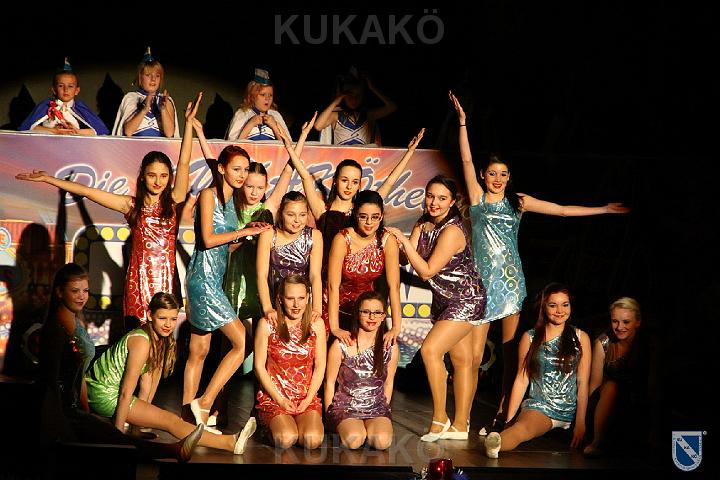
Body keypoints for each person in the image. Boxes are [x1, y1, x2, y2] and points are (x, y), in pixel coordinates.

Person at [449, 91, 631, 435]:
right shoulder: (476, 198)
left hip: (510, 284)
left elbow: (561, 210)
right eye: (493, 173)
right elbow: (466, 160)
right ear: (484, 176)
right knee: (472, 357)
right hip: (480, 286)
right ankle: (463, 417)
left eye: (503, 173)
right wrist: (462, 123)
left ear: (509, 176)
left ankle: (502, 417)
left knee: (510, 357)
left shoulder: (518, 202)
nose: (498, 178)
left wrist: (604, 209)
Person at [16, 92, 202, 328]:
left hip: (166, 281)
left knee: (164, 337)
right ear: (142, 177)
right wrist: (49, 179)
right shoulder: (130, 205)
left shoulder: (174, 200)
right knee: (138, 337)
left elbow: (184, 162)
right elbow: (87, 191)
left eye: (164, 176)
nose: (158, 181)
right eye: (152, 175)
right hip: (138, 283)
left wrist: (188, 124)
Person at [39, 263, 203, 462]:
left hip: (75, 406)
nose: (82, 296)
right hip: (61, 408)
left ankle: (174, 450)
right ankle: (173, 450)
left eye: (85, 291)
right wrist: (57, 416)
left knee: (114, 438)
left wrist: (85, 411)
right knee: (115, 439)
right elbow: (50, 378)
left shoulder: (78, 322)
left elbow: (81, 372)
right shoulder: (55, 328)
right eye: (75, 291)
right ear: (59, 292)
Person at [85, 291, 256, 454]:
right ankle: (229, 443)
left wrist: (136, 429)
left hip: (113, 393)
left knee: (169, 419)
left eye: (173, 319)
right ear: (150, 315)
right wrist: (119, 435)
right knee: (170, 421)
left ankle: (230, 442)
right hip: (104, 393)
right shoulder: (141, 342)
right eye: (162, 318)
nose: (168, 325)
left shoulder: (159, 341)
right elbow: (125, 392)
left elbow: (146, 385)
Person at [386, 176, 486, 442]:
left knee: (430, 350)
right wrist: (394, 242)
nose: (434, 203)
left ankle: (440, 418)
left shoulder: (452, 231)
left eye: (442, 198)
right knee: (461, 360)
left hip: (466, 299)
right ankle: (461, 425)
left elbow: (427, 271)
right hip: (444, 299)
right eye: (430, 196)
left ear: (452, 202)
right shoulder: (423, 223)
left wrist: (402, 239)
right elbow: (408, 257)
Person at [183, 140, 272, 429]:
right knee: (241, 342)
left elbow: (225, 247)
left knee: (199, 350)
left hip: (214, 280)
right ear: (221, 169)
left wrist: (247, 234)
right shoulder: (208, 195)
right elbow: (207, 240)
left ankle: (188, 419)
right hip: (203, 280)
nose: (242, 175)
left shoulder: (233, 204)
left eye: (245, 170)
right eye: (236, 169)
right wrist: (242, 232)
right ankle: (205, 402)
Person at [283, 114, 424, 272]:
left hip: (357, 274)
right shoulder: (322, 209)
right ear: (335, 180)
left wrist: (410, 152)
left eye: (355, 182)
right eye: (345, 180)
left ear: (359, 185)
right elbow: (305, 176)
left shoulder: (362, 209)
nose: (349, 186)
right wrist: (294, 143)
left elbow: (390, 181)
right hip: (327, 274)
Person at [484, 283, 592, 458]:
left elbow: (583, 382)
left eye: (565, 305)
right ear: (543, 307)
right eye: (553, 305)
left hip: (571, 409)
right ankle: (495, 444)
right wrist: (509, 420)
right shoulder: (530, 337)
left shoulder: (581, 337)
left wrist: (581, 422)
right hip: (541, 408)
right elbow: (522, 379)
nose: (560, 310)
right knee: (522, 429)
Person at [254, 275, 326, 449]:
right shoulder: (267, 324)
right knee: (286, 438)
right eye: (290, 298)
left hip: (305, 398)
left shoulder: (317, 324)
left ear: (308, 298)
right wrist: (279, 400)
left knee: (312, 440)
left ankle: (297, 424)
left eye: (301, 298)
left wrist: (308, 399)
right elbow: (258, 367)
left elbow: (320, 367)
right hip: (275, 398)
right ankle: (267, 427)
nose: (296, 304)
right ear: (280, 299)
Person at [325, 190, 402, 347]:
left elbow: (394, 286)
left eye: (375, 217)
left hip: (366, 313)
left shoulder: (387, 240)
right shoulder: (342, 239)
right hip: (335, 309)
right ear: (355, 215)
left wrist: (396, 327)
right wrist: (335, 327)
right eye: (363, 216)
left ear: (381, 216)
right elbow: (333, 286)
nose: (369, 222)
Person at [325, 291, 399, 450]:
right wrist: (329, 416)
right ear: (358, 314)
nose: (372, 317)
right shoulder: (342, 345)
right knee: (354, 440)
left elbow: (388, 383)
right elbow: (329, 382)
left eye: (377, 312)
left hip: (376, 407)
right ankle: (348, 430)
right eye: (366, 312)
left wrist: (384, 409)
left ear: (383, 316)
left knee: (382, 442)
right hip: (347, 407)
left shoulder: (390, 347)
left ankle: (368, 430)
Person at [584, 297, 649, 457]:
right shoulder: (603, 343)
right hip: (604, 404)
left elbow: (654, 387)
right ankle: (598, 441)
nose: (620, 327)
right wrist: (586, 422)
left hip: (634, 404)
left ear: (638, 322)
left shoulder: (648, 345)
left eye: (626, 322)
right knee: (611, 386)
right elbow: (594, 387)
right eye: (615, 321)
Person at [256, 191, 323, 324]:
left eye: (302, 215)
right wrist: (267, 308)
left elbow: (315, 276)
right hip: (273, 303)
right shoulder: (269, 235)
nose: (297, 220)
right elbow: (261, 275)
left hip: (301, 305)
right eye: (291, 214)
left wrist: (316, 308)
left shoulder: (314, 236)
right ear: (281, 213)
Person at [19, 58, 109, 135]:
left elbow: (101, 131)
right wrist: (54, 131)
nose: (66, 90)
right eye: (61, 86)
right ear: (54, 90)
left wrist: (76, 131)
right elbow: (26, 128)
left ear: (77, 91)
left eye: (70, 86)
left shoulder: (80, 107)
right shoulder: (46, 106)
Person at [314, 69, 397, 146]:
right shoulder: (336, 116)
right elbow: (318, 126)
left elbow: (392, 107)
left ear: (362, 96)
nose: (354, 99)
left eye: (358, 96)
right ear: (343, 97)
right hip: (342, 157)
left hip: (363, 156)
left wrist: (372, 87)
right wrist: (336, 101)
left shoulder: (369, 115)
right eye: (350, 95)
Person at [112, 47, 179, 137]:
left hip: (160, 146)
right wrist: (144, 110)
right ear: (140, 77)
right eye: (148, 75)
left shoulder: (166, 100)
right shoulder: (131, 98)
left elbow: (170, 134)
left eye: (157, 76)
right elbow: (128, 131)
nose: (153, 79)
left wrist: (163, 110)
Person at [226, 68, 291, 141]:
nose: (267, 99)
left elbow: (289, 145)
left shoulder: (276, 115)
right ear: (252, 96)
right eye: (263, 95)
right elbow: (232, 145)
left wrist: (274, 126)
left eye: (270, 95)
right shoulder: (242, 114)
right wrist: (250, 124)